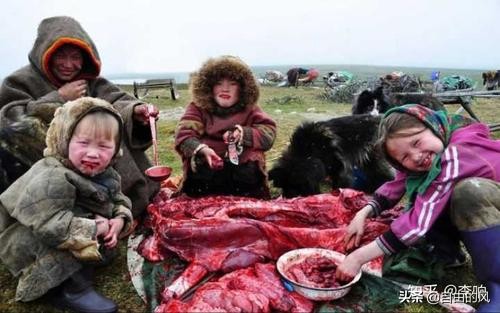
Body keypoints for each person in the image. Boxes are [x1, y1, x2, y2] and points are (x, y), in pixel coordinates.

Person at [336, 104, 500, 312]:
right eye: (404, 157)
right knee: (437, 195)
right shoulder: (437, 145)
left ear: (431, 127)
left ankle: (497, 287)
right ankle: (446, 254)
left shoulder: (457, 154)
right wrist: (364, 212)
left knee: (467, 192)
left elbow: (416, 224)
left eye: (417, 142)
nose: (415, 156)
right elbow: (398, 183)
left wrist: (356, 258)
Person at [0, 16, 160, 217]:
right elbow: (10, 122)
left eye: (75, 57)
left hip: (96, 160)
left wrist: (135, 111)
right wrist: (58, 98)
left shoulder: (89, 82)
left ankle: (134, 202)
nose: (68, 64)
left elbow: (116, 100)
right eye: (61, 56)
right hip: (44, 168)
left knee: (110, 130)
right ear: (45, 53)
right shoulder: (19, 82)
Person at [0, 97, 133, 313]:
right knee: (51, 250)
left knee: (100, 251)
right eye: (83, 143)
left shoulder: (107, 174)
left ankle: (84, 258)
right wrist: (94, 227)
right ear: (64, 140)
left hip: (71, 222)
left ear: (115, 150)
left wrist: (119, 220)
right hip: (28, 231)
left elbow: (119, 199)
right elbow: (49, 223)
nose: (93, 153)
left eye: (104, 146)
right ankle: (71, 289)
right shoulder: (53, 176)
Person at [175, 56, 277, 198]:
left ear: (243, 88)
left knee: (252, 163)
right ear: (208, 86)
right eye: (218, 83)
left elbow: (268, 132)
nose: (225, 88)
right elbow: (184, 135)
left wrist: (244, 134)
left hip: (244, 175)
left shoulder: (250, 109)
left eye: (233, 83)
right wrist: (202, 149)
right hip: (205, 174)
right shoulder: (198, 108)